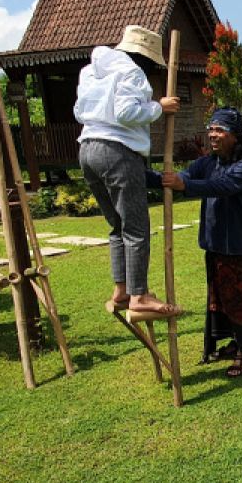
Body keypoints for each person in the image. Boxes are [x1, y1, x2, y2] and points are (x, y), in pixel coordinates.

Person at [73, 25, 181, 317]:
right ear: (143, 56)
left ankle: (122, 290)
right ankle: (139, 295)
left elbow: (78, 112)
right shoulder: (132, 72)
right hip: (118, 153)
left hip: (88, 149)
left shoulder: (91, 71)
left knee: (116, 226)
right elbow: (126, 113)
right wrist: (158, 107)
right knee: (135, 227)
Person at [161, 107, 242, 378]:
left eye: (219, 130)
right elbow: (186, 176)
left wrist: (185, 186)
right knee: (219, 297)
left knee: (241, 297)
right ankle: (233, 342)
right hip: (215, 242)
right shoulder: (207, 162)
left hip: (239, 243)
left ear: (234, 135)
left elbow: (221, 186)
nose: (212, 135)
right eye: (211, 129)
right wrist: (152, 178)